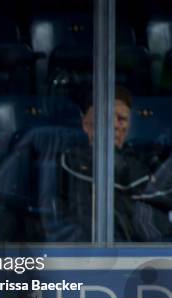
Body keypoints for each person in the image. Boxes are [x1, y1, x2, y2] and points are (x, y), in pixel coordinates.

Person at [55, 85, 172, 241]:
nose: (115, 125)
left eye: (122, 119)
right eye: (106, 118)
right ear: (86, 124)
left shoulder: (142, 156)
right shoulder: (71, 159)